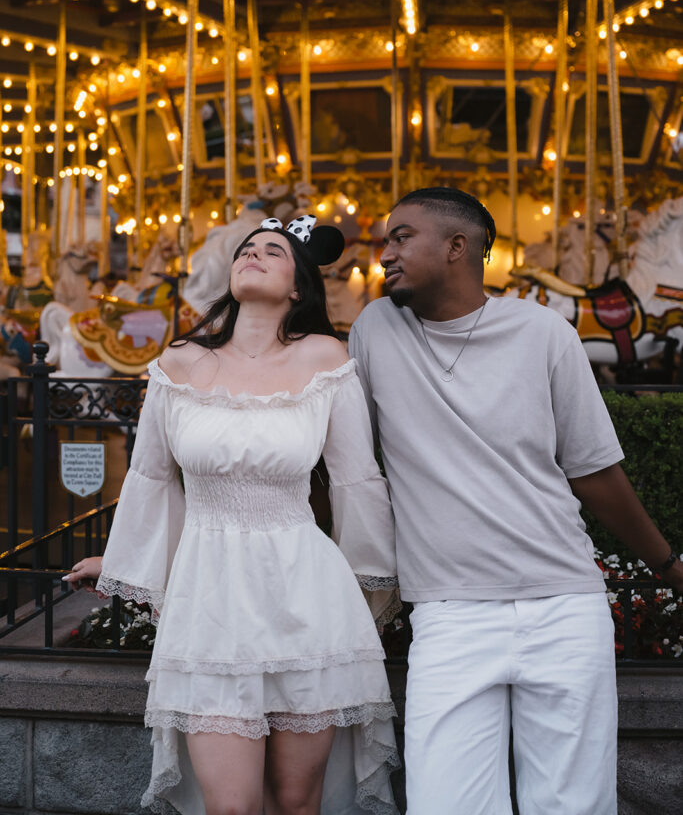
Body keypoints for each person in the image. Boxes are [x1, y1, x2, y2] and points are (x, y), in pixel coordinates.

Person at [348, 186, 683, 815]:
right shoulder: (376, 329)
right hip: (450, 612)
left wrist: (668, 568)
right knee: (445, 804)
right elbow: (349, 462)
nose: (384, 252)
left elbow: (594, 473)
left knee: (572, 806)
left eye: (401, 237)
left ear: (457, 247)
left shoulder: (543, 332)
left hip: (563, 604)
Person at [65, 215, 400, 815]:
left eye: (273, 250)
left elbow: (357, 482)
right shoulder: (177, 364)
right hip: (210, 597)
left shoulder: (325, 357)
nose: (255, 254)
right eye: (247, 248)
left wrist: (381, 575)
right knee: (231, 808)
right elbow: (150, 483)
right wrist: (120, 563)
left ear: (298, 285)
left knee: (298, 802)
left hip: (306, 591)